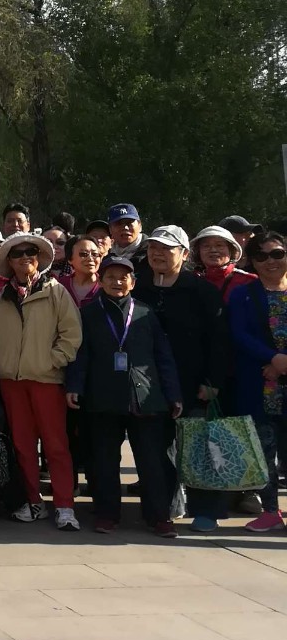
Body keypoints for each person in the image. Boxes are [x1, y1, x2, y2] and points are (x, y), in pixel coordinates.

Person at [66, 255, 182, 537]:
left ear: (132, 282)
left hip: (145, 396)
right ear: (101, 280)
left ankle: (159, 516)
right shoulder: (88, 314)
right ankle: (107, 514)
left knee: (152, 460)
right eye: (110, 277)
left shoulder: (145, 313)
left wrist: (173, 394)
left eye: (123, 277)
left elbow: (163, 357)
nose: (117, 282)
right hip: (102, 396)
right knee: (104, 461)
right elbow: (81, 356)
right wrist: (75, 386)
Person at [0, 232, 83, 530]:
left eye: (31, 252)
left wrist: (52, 360)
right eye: (18, 253)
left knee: (56, 445)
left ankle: (64, 506)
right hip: (11, 381)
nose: (25, 257)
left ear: (38, 258)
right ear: (9, 261)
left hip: (46, 380)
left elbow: (71, 334)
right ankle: (32, 501)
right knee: (22, 445)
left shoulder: (56, 291)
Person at [136, 225, 227, 529]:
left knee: (198, 450)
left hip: (194, 385)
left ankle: (205, 511)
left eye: (167, 248)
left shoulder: (202, 291)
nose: (158, 254)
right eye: (153, 248)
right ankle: (160, 510)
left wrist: (213, 382)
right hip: (150, 387)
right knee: (154, 452)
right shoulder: (139, 288)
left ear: (185, 254)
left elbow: (219, 341)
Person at [227, 230, 287, 532]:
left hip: (280, 374)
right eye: (262, 256)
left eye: (277, 253)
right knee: (264, 451)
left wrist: (283, 362)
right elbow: (238, 334)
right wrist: (272, 359)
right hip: (260, 383)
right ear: (252, 261)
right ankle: (271, 511)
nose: (270, 261)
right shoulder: (244, 294)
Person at [192, 224, 256, 306]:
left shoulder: (248, 281)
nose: (213, 250)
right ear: (198, 252)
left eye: (219, 245)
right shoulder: (190, 281)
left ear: (231, 250)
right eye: (206, 246)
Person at [60, 235, 102, 306]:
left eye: (95, 254)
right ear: (70, 259)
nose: (90, 258)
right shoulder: (60, 286)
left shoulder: (106, 286)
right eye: (84, 254)